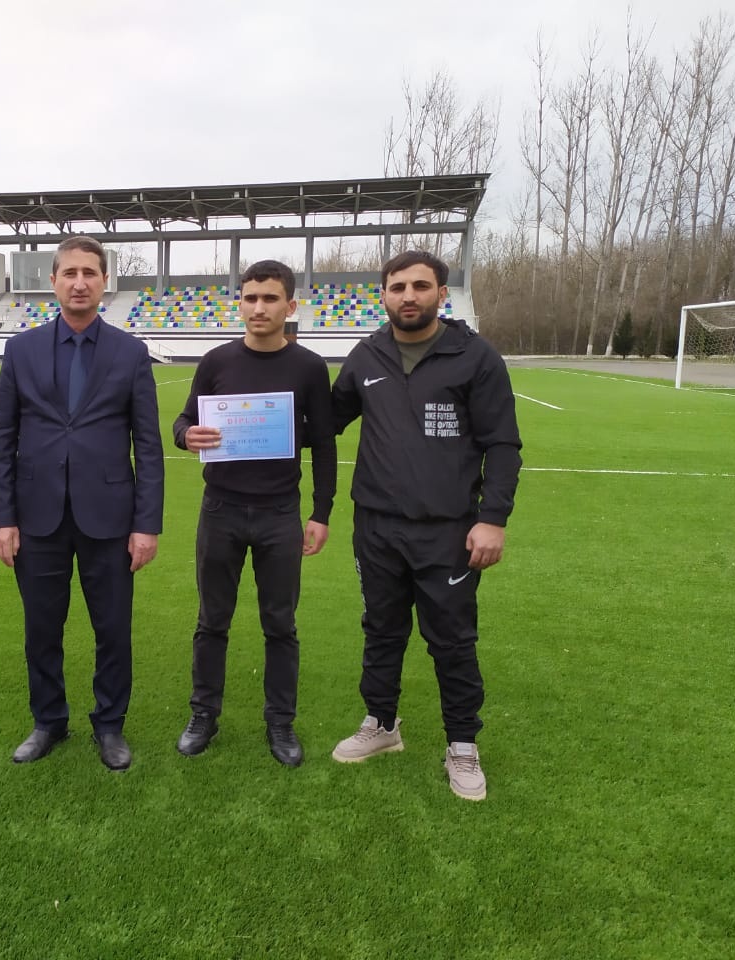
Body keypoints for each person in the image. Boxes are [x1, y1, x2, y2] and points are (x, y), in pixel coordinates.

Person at [329, 249, 522, 800]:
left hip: (448, 531)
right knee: (381, 630)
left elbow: (502, 445)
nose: (408, 296)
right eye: (397, 287)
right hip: (376, 527)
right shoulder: (366, 355)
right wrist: (239, 418)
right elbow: (325, 420)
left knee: (452, 640)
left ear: (441, 293)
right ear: (383, 295)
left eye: (419, 286)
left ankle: (462, 744)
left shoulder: (476, 357)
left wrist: (493, 519)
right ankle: (381, 724)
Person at [0, 236, 164, 771]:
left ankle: (109, 724)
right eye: (70, 273)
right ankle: (48, 721)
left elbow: (148, 445)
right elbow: (3, 439)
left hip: (110, 518)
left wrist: (147, 525)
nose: (80, 282)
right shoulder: (22, 350)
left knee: (113, 630)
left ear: (105, 281)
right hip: (37, 515)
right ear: (53, 281)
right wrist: (2, 519)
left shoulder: (130, 353)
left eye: (90, 273)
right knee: (42, 629)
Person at [172, 260, 336, 767]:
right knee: (211, 621)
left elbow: (324, 444)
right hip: (220, 509)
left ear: (291, 306)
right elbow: (185, 418)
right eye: (250, 298)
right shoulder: (216, 361)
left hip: (279, 513)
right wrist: (186, 435)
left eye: (270, 298)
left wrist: (321, 512)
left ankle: (280, 722)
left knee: (280, 624)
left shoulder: (309, 367)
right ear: (239, 304)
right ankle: (204, 714)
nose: (259, 307)